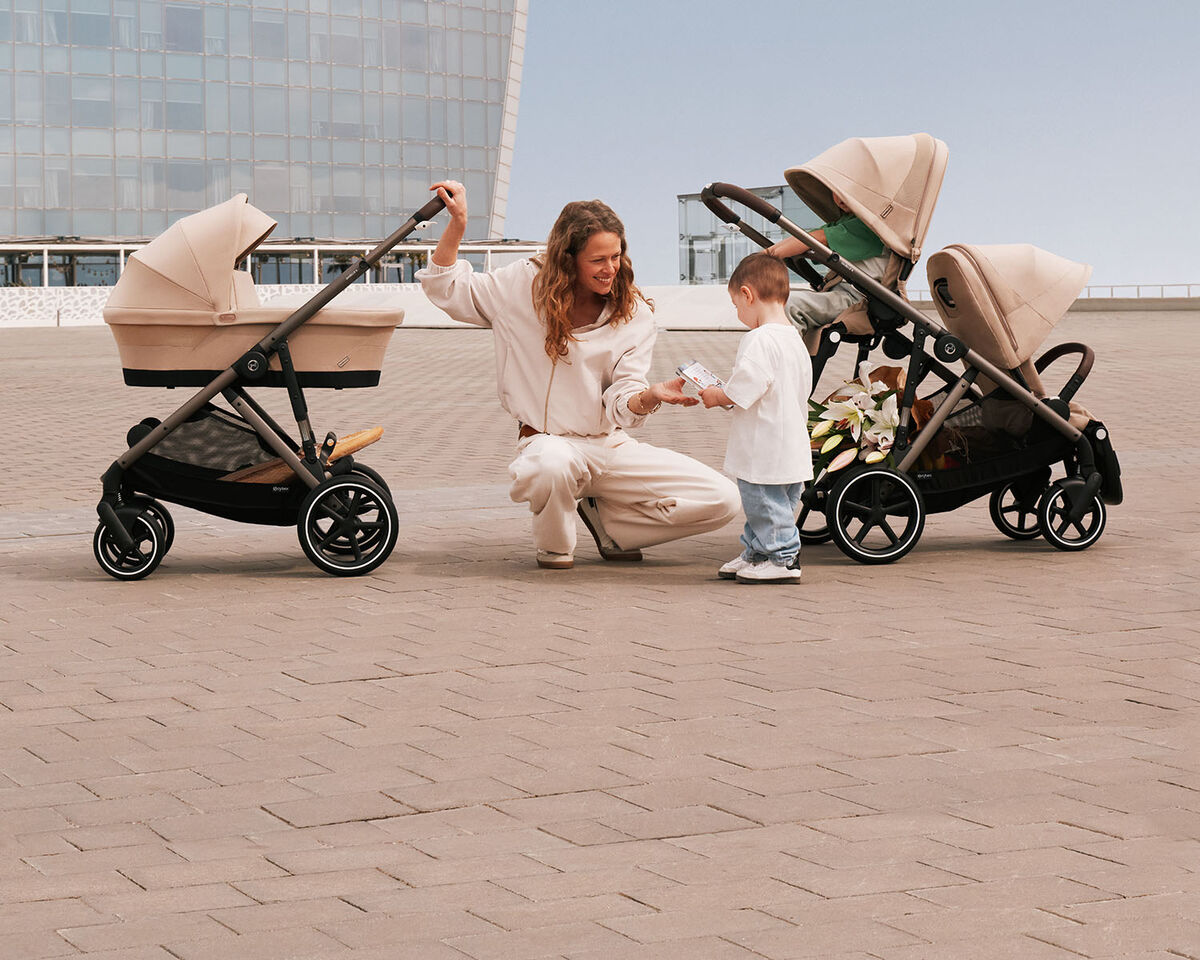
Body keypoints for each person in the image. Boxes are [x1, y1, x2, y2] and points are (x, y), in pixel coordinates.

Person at [417, 180, 739, 570]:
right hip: (547, 444)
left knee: (723, 500)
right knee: (551, 466)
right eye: (598, 260)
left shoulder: (633, 313)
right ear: (568, 258)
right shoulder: (520, 285)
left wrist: (651, 395)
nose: (611, 269)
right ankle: (555, 547)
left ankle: (615, 527)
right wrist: (459, 223)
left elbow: (623, 398)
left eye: (616, 256)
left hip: (610, 447)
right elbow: (446, 288)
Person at [699, 253, 813, 584]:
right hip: (791, 444)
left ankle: (784, 557)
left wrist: (715, 394)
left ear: (748, 295)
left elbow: (744, 388)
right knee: (773, 507)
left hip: (764, 447)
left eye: (737, 306)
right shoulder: (794, 338)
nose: (738, 315)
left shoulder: (759, 339)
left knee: (763, 503)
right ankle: (758, 552)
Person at [765, 191, 890, 337]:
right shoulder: (845, 221)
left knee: (788, 305)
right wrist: (767, 253)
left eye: (843, 191)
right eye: (834, 192)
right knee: (779, 301)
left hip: (858, 300)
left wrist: (766, 257)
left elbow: (818, 238)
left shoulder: (871, 226)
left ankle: (788, 357)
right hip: (841, 294)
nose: (839, 198)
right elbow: (806, 237)